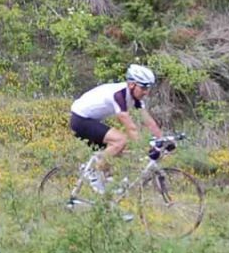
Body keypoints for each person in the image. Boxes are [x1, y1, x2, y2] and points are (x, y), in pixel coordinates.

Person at [68, 64, 168, 193]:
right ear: (131, 85)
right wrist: (146, 148)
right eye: (143, 87)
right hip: (80, 120)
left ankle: (106, 192)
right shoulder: (118, 95)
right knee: (120, 140)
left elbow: (149, 122)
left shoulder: (135, 98)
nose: (146, 92)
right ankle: (92, 171)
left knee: (118, 150)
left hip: (91, 120)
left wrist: (162, 140)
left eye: (148, 88)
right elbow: (130, 128)